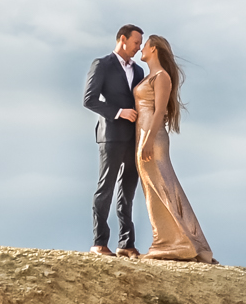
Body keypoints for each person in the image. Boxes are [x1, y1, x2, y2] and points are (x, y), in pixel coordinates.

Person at [133, 33, 216, 263]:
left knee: (162, 187)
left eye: (145, 45)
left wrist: (147, 140)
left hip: (152, 137)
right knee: (154, 189)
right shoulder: (151, 76)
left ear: (154, 49)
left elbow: (159, 111)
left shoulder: (161, 77)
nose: (141, 49)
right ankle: (175, 241)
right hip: (143, 135)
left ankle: (174, 244)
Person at [81, 25, 146, 257]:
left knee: (128, 192)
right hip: (110, 136)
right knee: (105, 188)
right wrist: (120, 112)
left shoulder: (139, 71)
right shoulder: (102, 65)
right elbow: (89, 100)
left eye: (141, 44)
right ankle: (99, 243)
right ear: (123, 39)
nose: (139, 48)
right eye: (137, 42)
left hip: (133, 138)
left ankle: (126, 244)